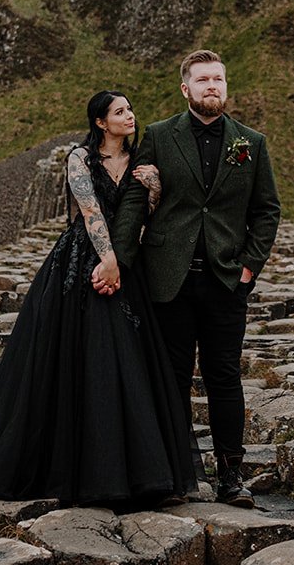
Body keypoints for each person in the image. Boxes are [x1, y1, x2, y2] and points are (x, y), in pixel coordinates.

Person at [0, 90, 199, 516]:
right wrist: (107, 260)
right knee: (81, 361)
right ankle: (82, 472)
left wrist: (151, 189)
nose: (129, 116)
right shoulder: (80, 158)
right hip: (81, 263)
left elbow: (143, 215)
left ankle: (138, 473)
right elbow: (91, 212)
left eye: (131, 109)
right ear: (100, 122)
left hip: (128, 266)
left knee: (130, 365)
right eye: (119, 111)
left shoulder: (140, 163)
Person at [113, 49, 281, 508]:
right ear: (186, 88)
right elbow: (134, 200)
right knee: (171, 379)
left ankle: (231, 475)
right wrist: (119, 261)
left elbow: (267, 211)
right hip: (168, 279)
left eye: (219, 79)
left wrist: (249, 266)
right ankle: (179, 472)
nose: (213, 86)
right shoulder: (159, 136)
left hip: (227, 280)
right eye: (204, 80)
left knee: (224, 376)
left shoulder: (252, 142)